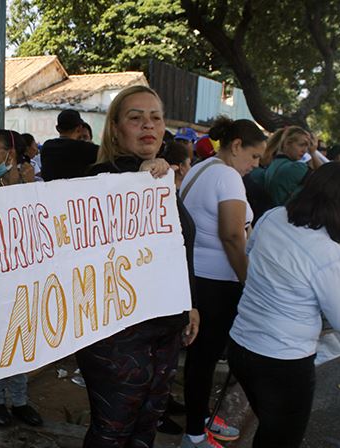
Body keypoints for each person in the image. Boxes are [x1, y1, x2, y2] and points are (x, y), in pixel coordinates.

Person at [77, 85, 200, 448]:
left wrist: (188, 303)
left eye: (155, 117)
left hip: (165, 327)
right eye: (135, 117)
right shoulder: (96, 180)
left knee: (147, 425)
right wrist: (135, 188)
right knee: (112, 431)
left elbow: (176, 247)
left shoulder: (161, 180)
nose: (148, 125)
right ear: (115, 128)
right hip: (117, 335)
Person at [228, 163, 340, 448]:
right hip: (282, 363)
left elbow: (250, 254)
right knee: (281, 438)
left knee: (270, 428)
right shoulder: (330, 255)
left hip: (240, 346)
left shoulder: (272, 217)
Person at [179, 116, 267, 448]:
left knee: (199, 357)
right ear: (236, 146)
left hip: (197, 276)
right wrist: (249, 281)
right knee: (204, 358)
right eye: (254, 156)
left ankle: (199, 417)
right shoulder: (227, 175)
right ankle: (195, 435)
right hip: (216, 280)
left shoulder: (203, 168)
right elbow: (232, 235)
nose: (255, 165)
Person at [0, 129, 42, 428]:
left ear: (10, 154)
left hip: (24, 278)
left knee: (21, 342)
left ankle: (19, 401)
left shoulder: (34, 184)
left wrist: (28, 190)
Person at [264, 126, 323, 207]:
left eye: (307, 146)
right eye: (302, 145)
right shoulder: (295, 168)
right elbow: (326, 178)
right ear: (287, 143)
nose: (305, 150)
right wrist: (313, 153)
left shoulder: (272, 164)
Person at [40, 109, 99, 181]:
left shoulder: (46, 147)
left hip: (51, 191)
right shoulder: (84, 148)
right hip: (77, 191)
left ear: (57, 129)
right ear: (79, 128)